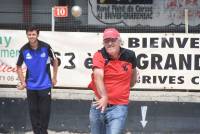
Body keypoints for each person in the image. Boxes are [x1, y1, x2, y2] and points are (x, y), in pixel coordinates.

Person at [88, 28, 137, 134]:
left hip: (119, 107)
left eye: (113, 40)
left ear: (119, 41)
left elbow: (133, 75)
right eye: (106, 41)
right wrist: (104, 96)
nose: (110, 43)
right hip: (98, 105)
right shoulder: (99, 55)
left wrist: (132, 82)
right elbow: (98, 77)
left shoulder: (130, 55)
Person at [16, 25, 58, 134]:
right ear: (27, 35)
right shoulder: (24, 49)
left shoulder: (46, 47)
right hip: (31, 87)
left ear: (37, 35)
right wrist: (23, 83)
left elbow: (55, 61)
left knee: (44, 113)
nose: (31, 36)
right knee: (33, 113)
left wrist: (54, 77)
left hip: (45, 86)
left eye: (33, 34)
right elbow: (18, 67)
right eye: (29, 34)